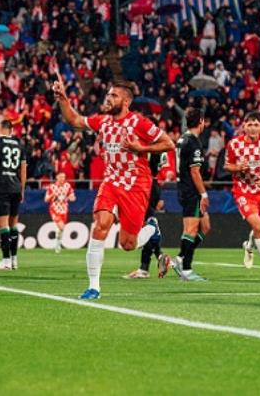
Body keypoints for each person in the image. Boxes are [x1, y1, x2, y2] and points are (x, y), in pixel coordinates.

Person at [53, 76, 175, 300]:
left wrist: (141, 146)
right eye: (108, 94)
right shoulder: (103, 121)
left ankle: (152, 229)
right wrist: (62, 99)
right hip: (111, 181)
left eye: (113, 96)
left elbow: (168, 143)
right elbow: (75, 120)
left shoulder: (139, 123)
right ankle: (94, 287)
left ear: (126, 101)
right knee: (101, 225)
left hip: (137, 185)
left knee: (128, 244)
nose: (108, 98)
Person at [224, 112, 260, 281]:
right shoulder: (234, 144)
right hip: (243, 190)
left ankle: (249, 246)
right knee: (258, 227)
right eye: (249, 125)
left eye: (256, 125)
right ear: (244, 126)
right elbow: (227, 166)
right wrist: (237, 167)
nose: (252, 128)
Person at [171, 108, 212, 281]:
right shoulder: (194, 142)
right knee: (191, 229)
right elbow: (195, 171)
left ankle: (180, 258)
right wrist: (203, 194)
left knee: (205, 227)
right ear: (201, 121)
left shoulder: (182, 138)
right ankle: (185, 268)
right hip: (191, 190)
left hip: (184, 187)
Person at [0, 119, 27, 271]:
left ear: (2, 128)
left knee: (2, 224)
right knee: (14, 224)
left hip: (2, 186)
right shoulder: (20, 144)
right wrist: (22, 188)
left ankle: (6, 260)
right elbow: (23, 169)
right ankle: (14, 259)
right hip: (16, 187)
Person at [123, 151, 171, 279]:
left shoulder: (151, 148)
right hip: (153, 183)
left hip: (146, 184)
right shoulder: (157, 149)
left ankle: (148, 265)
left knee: (146, 225)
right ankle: (149, 264)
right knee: (145, 228)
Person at [45, 172, 76, 253]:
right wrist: (52, 195)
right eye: (61, 177)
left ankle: (57, 244)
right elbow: (46, 199)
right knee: (61, 227)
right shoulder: (52, 187)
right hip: (54, 209)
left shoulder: (67, 186)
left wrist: (69, 198)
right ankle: (58, 244)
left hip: (64, 210)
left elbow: (73, 197)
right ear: (57, 177)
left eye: (64, 177)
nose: (63, 179)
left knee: (61, 229)